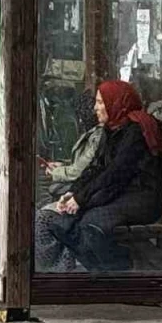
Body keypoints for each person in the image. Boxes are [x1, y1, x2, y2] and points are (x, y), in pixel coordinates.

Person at [39, 80, 162, 271]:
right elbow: (95, 168)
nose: (95, 108)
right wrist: (73, 193)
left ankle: (122, 270)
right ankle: (103, 274)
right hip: (119, 193)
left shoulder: (135, 132)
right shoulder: (111, 130)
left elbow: (116, 173)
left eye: (100, 102)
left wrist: (82, 199)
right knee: (65, 222)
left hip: (143, 198)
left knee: (91, 223)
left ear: (115, 102)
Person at [34, 94, 106, 272]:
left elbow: (83, 170)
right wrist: (62, 166)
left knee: (45, 217)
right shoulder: (94, 133)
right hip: (80, 191)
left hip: (85, 193)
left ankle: (55, 268)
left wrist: (57, 172)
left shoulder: (99, 135)